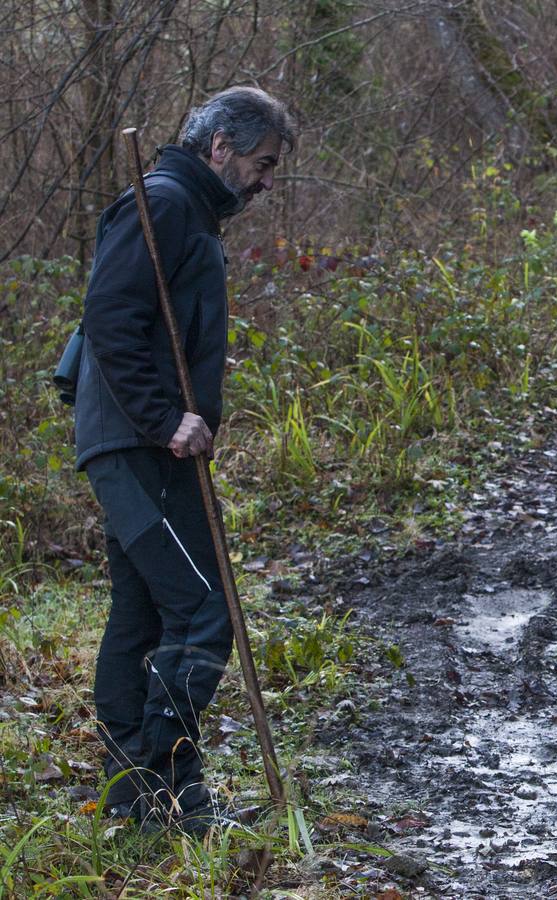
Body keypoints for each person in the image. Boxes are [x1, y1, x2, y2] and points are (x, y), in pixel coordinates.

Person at [74, 86, 296, 831]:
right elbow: (108, 317)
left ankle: (129, 793)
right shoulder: (164, 203)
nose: (268, 180)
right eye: (262, 162)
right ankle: (174, 796)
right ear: (220, 147)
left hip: (143, 448)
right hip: (137, 448)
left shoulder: (186, 212)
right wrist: (168, 418)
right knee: (204, 609)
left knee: (141, 615)